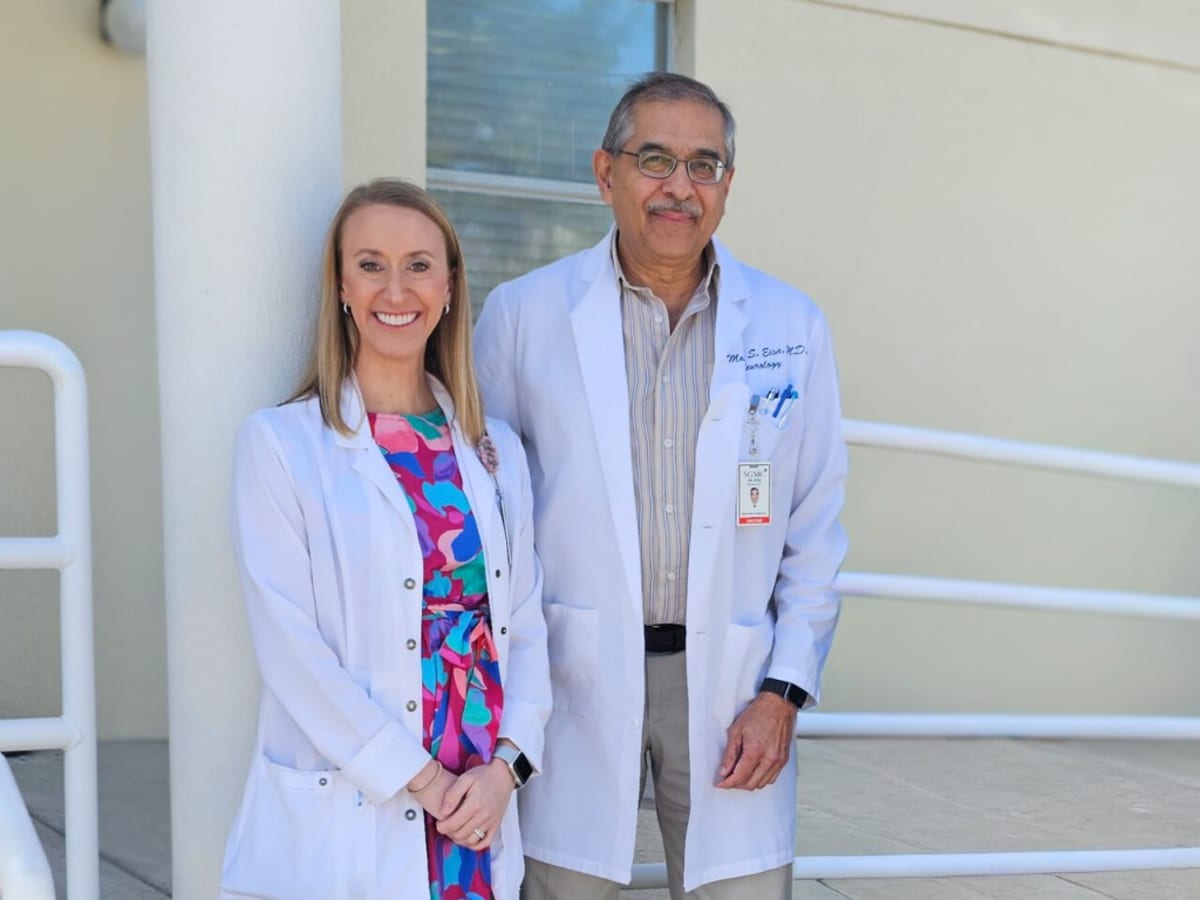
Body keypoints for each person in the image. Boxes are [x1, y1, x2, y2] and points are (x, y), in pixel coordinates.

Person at [474, 73, 848, 899]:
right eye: (655, 159)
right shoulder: (522, 316)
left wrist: (782, 692)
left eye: (704, 164)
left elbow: (815, 532)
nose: (680, 186)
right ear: (606, 174)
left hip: (733, 685)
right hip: (573, 675)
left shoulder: (791, 327)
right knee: (564, 883)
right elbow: (485, 521)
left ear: (727, 185)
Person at [221, 179, 550, 900]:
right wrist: (425, 783)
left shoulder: (496, 450)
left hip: (478, 807)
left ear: (452, 287)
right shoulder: (280, 445)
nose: (395, 288)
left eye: (419, 265)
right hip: (366, 796)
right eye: (370, 264)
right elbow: (290, 648)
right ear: (340, 286)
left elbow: (523, 629)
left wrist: (505, 771)